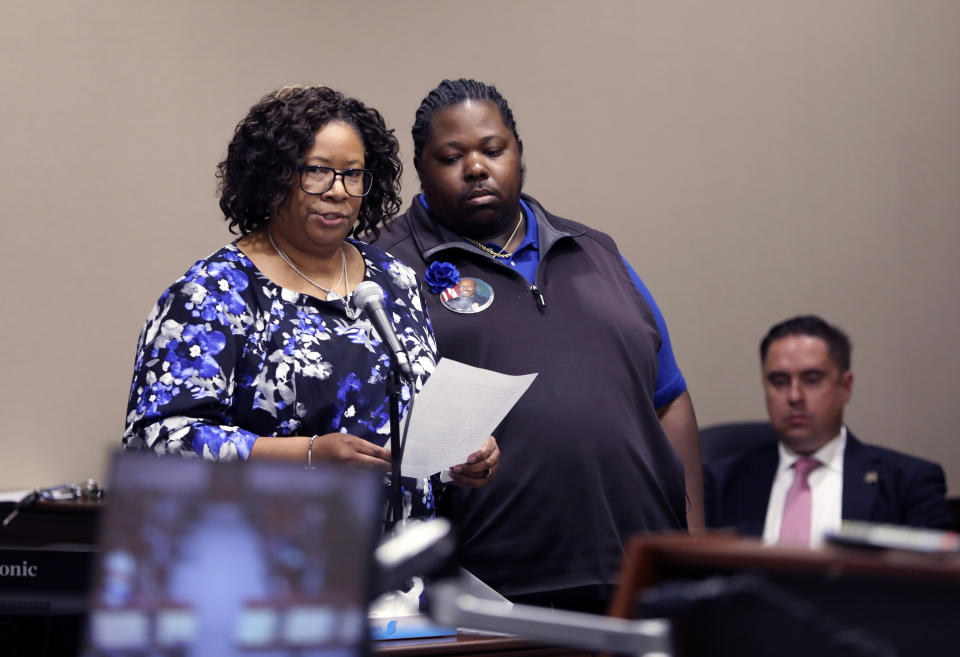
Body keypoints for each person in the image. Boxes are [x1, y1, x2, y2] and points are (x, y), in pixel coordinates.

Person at [371, 78, 703, 612]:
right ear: (422, 168)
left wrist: (692, 545)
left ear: (519, 152)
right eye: (452, 156)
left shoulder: (595, 251)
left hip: (642, 572)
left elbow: (670, 397)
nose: (476, 167)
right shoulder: (386, 270)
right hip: (496, 589)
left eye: (493, 150)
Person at [123, 85, 499, 515]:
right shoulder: (213, 293)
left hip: (399, 569)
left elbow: (413, 425)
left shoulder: (393, 281)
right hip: (273, 567)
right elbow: (155, 442)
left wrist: (462, 457)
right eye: (318, 170)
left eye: (353, 173)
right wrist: (307, 456)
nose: (338, 190)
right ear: (274, 177)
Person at [704, 315, 954, 545]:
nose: (794, 396)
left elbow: (933, 587)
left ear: (845, 386)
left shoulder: (908, 483)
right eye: (779, 382)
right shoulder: (721, 483)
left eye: (812, 379)